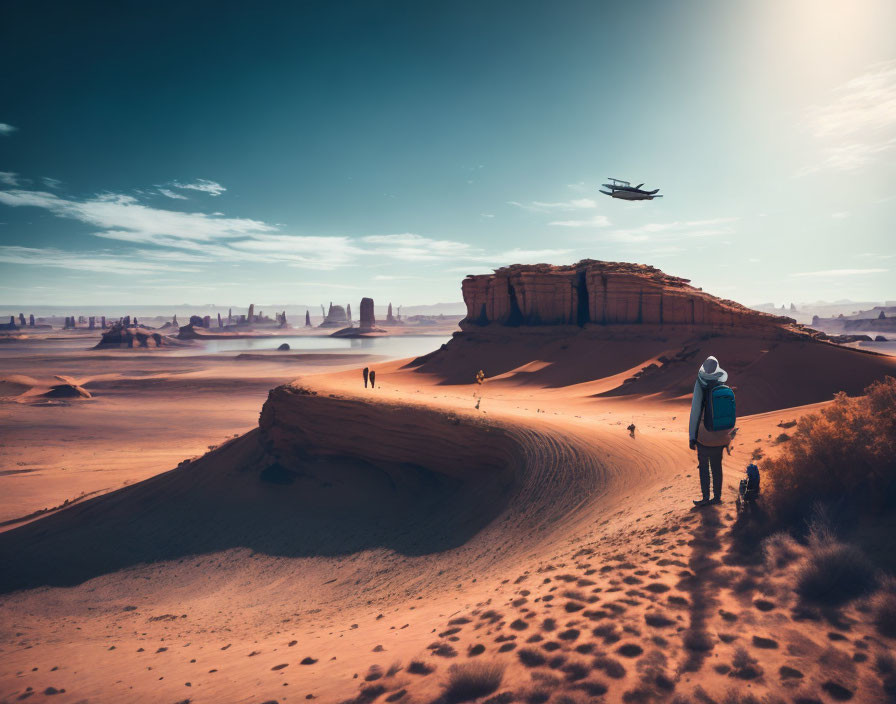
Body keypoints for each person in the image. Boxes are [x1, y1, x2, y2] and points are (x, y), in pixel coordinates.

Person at [688, 356, 733, 506]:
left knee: (704, 468)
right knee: (716, 467)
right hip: (721, 436)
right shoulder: (722, 382)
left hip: (704, 437)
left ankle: (706, 498)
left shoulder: (701, 384)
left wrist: (692, 436)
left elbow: (695, 412)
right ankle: (717, 497)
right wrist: (727, 438)